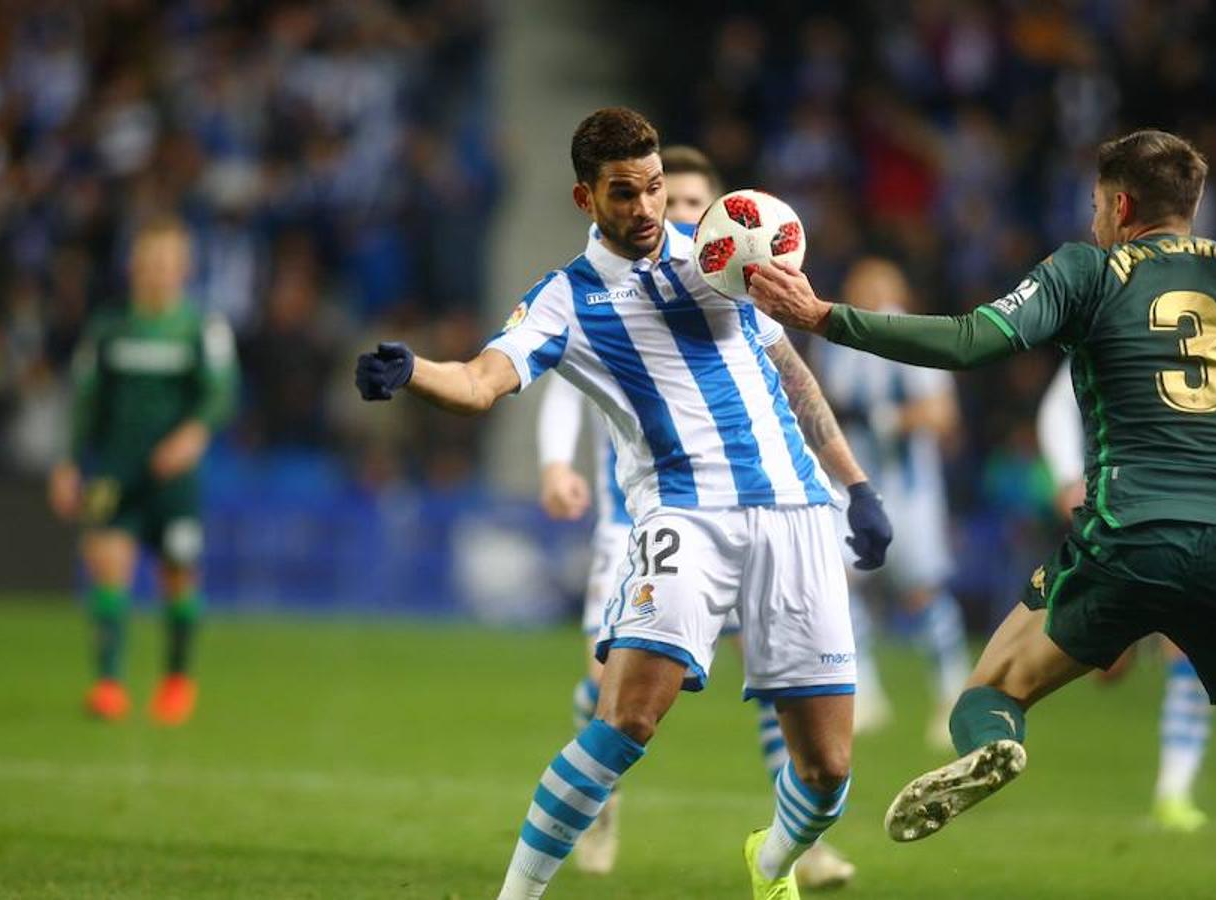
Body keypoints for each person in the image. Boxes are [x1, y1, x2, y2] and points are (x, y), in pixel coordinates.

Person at [356, 108, 891, 899]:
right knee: (627, 720)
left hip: (798, 512)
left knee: (828, 769)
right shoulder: (564, 300)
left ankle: (771, 862)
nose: (645, 208)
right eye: (623, 193)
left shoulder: (724, 255)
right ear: (586, 198)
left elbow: (794, 377)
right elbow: (479, 381)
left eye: (654, 187)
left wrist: (856, 486)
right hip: (685, 518)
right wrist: (414, 372)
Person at [744, 128, 1216, 843]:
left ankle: (994, 746)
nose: (1093, 221)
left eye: (1096, 205)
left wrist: (825, 317)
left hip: (1130, 534)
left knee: (989, 693)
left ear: (1121, 205)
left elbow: (970, 340)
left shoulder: (1090, 269)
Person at [535, 144, 854, 888]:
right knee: (612, 687)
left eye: (688, 206)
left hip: (751, 512)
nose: (672, 215)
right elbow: (559, 383)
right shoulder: (599, 296)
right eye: (665, 200)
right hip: (638, 521)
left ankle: (800, 841)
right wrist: (554, 464)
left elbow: (787, 383)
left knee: (783, 680)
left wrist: (848, 485)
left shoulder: (725, 292)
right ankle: (597, 799)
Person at [48, 214, 238, 726]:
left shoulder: (201, 328)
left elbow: (221, 393)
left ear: (184, 268)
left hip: (174, 478)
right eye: (150, 261)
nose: (157, 271)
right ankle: (108, 683)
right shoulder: (108, 328)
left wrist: (193, 434)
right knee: (107, 565)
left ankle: (176, 681)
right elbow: (85, 402)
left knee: (178, 575)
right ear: (134, 265)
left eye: (167, 262)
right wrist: (68, 462)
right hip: (114, 469)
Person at [1037, 363, 1213, 831]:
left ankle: (1173, 791)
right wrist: (1067, 478)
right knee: (1108, 667)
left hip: (1201, 499)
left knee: (1189, 644)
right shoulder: (1121, 325)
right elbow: (1058, 404)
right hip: (1120, 501)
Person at [815, 258, 969, 747]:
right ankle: (864, 695)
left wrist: (888, 421)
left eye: (880, 287)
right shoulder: (836, 346)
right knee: (835, 586)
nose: (871, 295)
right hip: (852, 490)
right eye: (861, 286)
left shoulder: (911, 338)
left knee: (921, 594)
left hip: (910, 493)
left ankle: (953, 694)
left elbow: (942, 414)